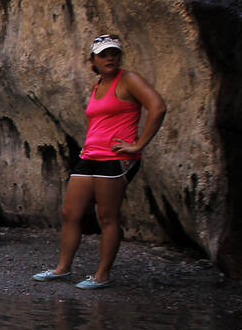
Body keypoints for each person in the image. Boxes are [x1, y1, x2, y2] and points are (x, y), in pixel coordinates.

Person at [33, 34, 166, 289]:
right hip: (90, 155)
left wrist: (139, 144)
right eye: (104, 54)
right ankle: (62, 269)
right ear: (92, 60)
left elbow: (157, 107)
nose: (110, 58)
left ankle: (102, 275)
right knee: (70, 213)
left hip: (116, 158)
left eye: (114, 53)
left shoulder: (128, 79)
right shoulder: (98, 84)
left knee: (107, 216)